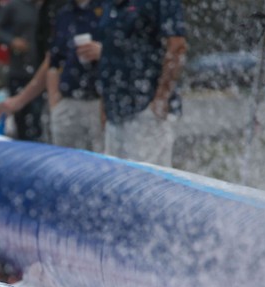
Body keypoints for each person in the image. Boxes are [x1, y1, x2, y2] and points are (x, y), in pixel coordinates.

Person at [80, 0, 187, 167]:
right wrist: (104, 104)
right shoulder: (109, 6)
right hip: (115, 112)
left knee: (146, 181)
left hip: (145, 110)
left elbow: (177, 46)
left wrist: (161, 97)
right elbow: (110, 54)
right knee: (116, 180)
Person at [46, 0, 104, 150]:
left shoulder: (107, 9)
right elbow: (53, 61)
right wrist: (54, 102)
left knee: (101, 161)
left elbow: (124, 51)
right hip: (68, 100)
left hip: (98, 101)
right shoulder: (64, 13)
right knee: (64, 160)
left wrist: (103, 52)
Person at [0, 0, 43, 141]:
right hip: (20, 71)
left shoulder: (49, 7)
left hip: (43, 73)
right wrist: (12, 41)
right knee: (22, 121)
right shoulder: (15, 6)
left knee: (41, 121)